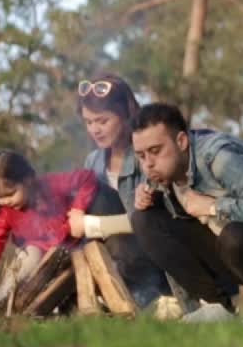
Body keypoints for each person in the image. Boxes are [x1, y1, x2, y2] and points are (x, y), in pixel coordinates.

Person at [129, 103, 243, 324]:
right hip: (229, 255)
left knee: (233, 235)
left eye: (155, 151)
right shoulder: (158, 169)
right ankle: (217, 307)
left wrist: (213, 206)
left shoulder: (219, 157)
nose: (148, 164)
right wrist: (146, 197)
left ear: (181, 141)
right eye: (140, 155)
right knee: (144, 219)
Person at [71, 74, 181, 316]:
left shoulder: (147, 154)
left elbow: (154, 219)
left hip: (156, 255)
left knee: (99, 200)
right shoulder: (93, 161)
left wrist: (90, 225)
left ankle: (160, 300)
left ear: (125, 114)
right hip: (118, 258)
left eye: (102, 121)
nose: (95, 130)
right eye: (88, 122)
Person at [0, 150, 96, 315]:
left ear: (28, 181)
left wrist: (78, 210)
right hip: (36, 262)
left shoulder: (50, 185)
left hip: (70, 249)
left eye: (10, 194)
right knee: (29, 254)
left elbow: (87, 178)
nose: (5, 201)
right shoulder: (6, 211)